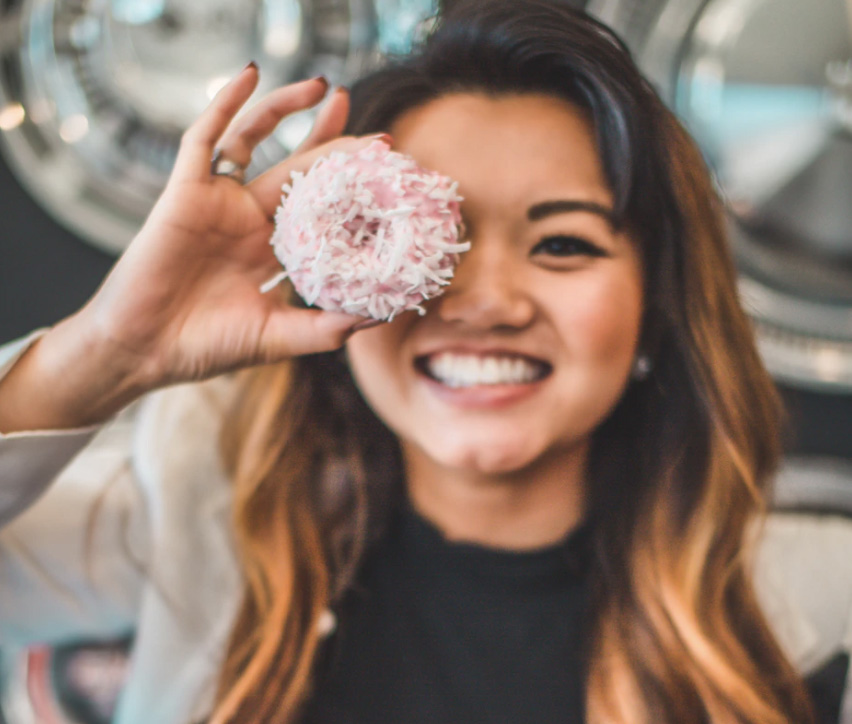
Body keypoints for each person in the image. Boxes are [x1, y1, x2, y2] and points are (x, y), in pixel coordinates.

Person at [0, 2, 849, 723]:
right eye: (425, 241)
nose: (481, 302)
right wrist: (109, 351)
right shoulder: (189, 520)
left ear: (658, 305)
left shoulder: (826, 605)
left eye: (562, 243)